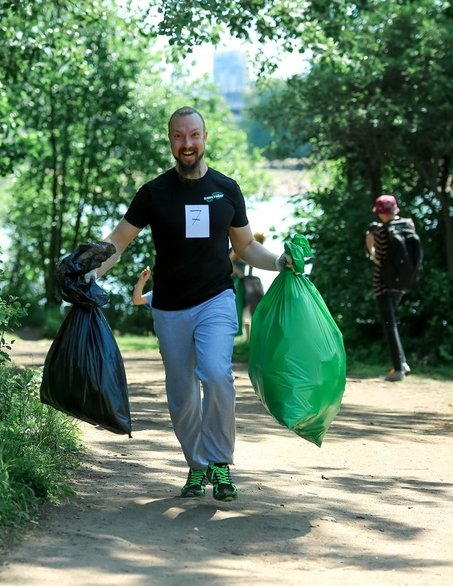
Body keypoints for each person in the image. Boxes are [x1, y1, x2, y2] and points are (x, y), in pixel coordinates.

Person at [90, 105, 293, 502]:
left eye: (194, 135)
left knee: (217, 374)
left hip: (216, 298)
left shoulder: (226, 189)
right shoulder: (153, 193)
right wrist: (88, 271)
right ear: (171, 141)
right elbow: (117, 242)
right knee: (182, 392)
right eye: (179, 136)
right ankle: (197, 465)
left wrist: (280, 263)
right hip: (168, 307)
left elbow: (247, 246)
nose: (187, 143)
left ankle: (219, 461)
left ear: (204, 138)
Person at [365, 194, 413, 382]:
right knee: (393, 322)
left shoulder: (380, 232)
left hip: (383, 283)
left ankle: (398, 368)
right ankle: (403, 363)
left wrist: (372, 253)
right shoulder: (409, 225)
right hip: (402, 282)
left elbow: (377, 257)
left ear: (380, 213)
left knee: (389, 324)